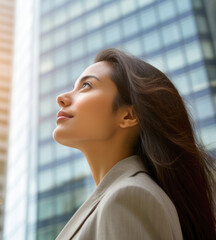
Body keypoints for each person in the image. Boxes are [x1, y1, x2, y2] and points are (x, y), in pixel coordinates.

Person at [53, 48, 216, 240]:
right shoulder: (123, 195)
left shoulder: (128, 195)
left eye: (86, 85)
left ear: (129, 115)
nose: (62, 98)